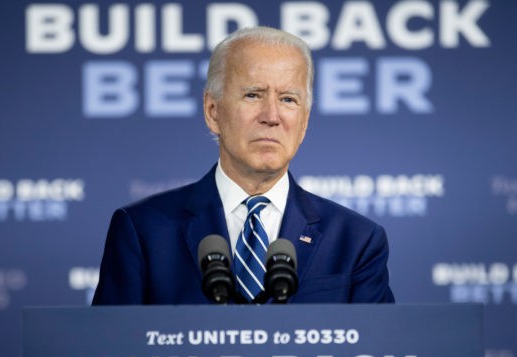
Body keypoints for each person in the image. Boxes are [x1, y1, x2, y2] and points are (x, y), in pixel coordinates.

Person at [92, 26, 394, 305]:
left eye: (288, 99)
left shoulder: (356, 240)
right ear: (213, 112)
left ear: (304, 123)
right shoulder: (144, 231)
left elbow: (377, 353)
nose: (272, 116)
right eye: (253, 95)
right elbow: (111, 353)